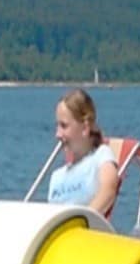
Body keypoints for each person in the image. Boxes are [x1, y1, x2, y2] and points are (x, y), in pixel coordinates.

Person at [46, 88, 119, 217]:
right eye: (57, 126)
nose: (57, 134)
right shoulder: (57, 176)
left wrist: (83, 221)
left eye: (64, 126)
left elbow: (109, 190)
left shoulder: (101, 156)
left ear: (85, 128)